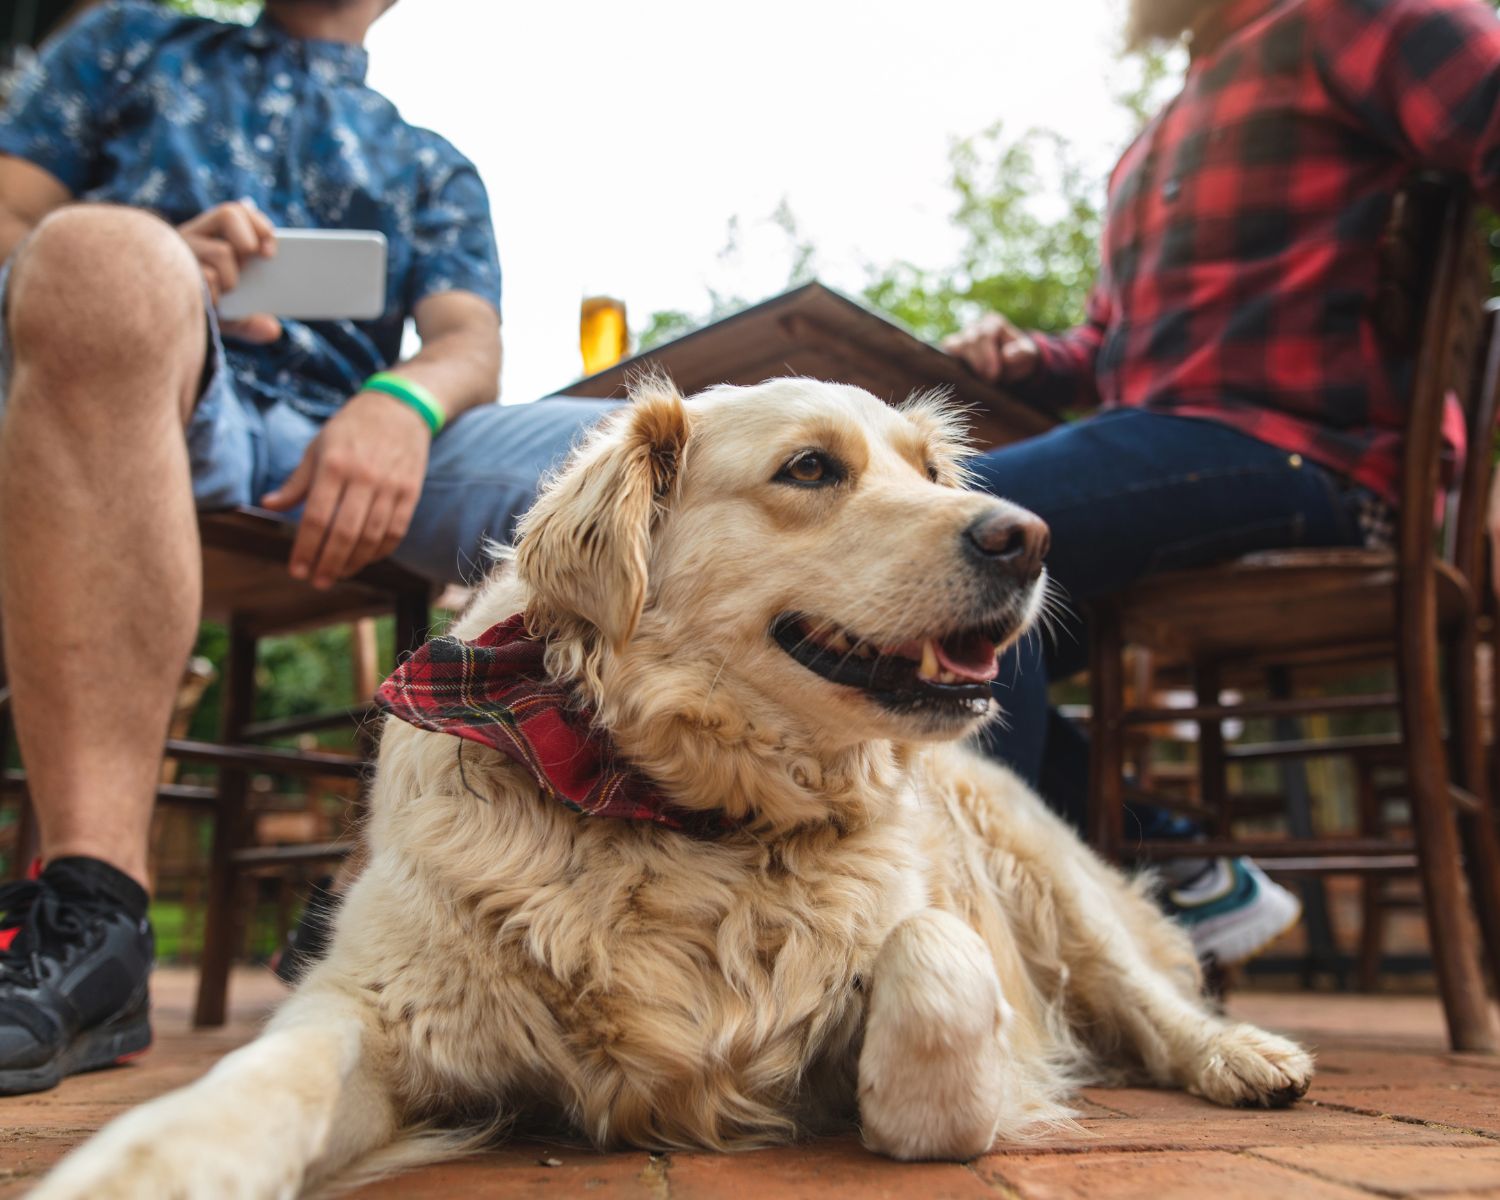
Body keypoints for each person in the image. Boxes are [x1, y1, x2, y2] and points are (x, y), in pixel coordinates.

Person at [0, 0, 613, 1094]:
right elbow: (11, 218)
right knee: (100, 251)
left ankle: (415, 896)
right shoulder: (123, 42)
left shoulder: (431, 163)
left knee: (645, 456)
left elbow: (469, 340)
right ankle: (98, 911)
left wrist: (402, 402)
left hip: (365, 429)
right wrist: (161, 266)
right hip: (163, 390)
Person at [945, 0, 1500, 966]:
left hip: (1312, 457)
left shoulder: (1359, 20)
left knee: (955, 531)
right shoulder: (1162, 129)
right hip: (1168, 444)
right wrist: (1030, 357)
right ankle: (1172, 868)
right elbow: (1108, 345)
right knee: (941, 616)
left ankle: (986, 954)